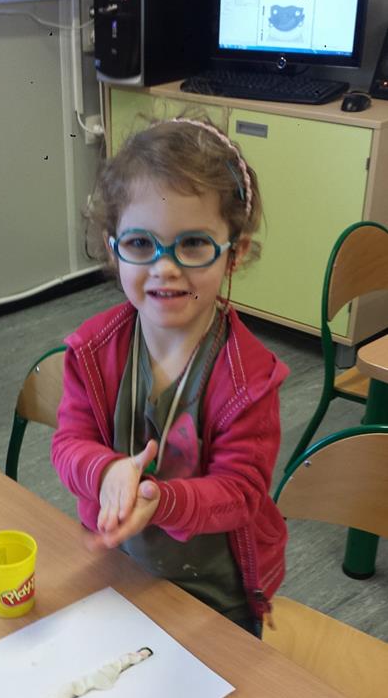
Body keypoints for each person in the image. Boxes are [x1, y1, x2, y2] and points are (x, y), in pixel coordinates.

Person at [51, 117, 289, 636]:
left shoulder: (248, 378)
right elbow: (68, 445)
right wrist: (105, 472)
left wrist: (162, 501)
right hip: (120, 573)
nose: (165, 267)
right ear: (113, 247)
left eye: (194, 244)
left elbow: (242, 492)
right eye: (141, 244)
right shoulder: (93, 350)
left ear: (235, 253)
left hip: (214, 600)